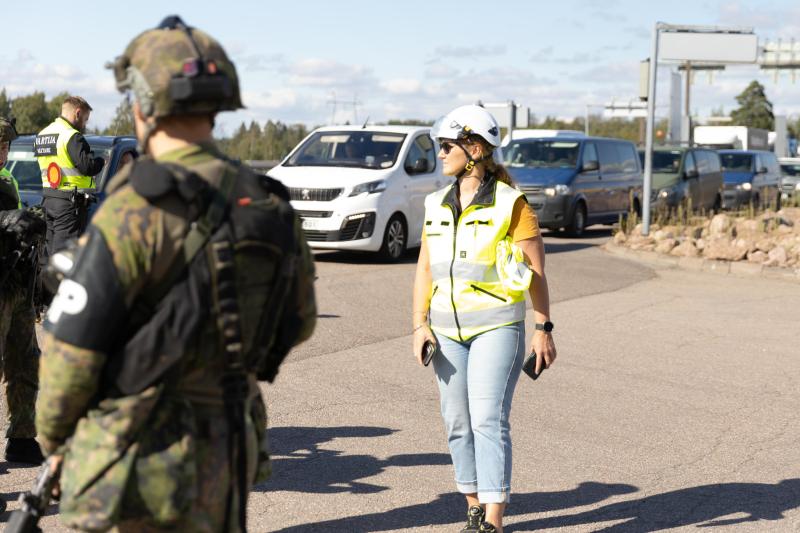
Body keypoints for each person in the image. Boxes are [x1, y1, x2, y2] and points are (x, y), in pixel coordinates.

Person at [35, 15, 316, 532]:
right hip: (228, 447)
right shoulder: (269, 203)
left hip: (138, 460)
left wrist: (55, 442)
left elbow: (69, 359)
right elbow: (298, 324)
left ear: (142, 106)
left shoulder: (131, 209)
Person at [412, 105, 557, 533]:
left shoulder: (513, 204)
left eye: (447, 145)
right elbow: (425, 268)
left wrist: (543, 328)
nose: (440, 153)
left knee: (487, 419)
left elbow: (536, 273)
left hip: (496, 328)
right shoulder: (435, 203)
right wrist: (419, 323)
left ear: (474, 149)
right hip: (445, 331)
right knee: (457, 422)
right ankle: (473, 506)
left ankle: (494, 520)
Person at [0, 116, 46, 471]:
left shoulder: (6, 181)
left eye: (5, 146)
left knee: (26, 359)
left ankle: (22, 438)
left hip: (15, 283)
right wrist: (7, 221)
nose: (2, 153)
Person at [35, 95, 105, 256]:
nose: (85, 124)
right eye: (85, 119)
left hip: (48, 200)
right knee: (64, 255)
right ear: (78, 113)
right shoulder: (71, 136)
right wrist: (101, 161)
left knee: (48, 253)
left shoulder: (42, 135)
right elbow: (87, 167)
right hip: (69, 205)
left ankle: (45, 274)